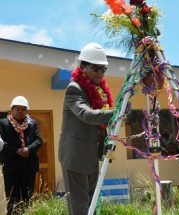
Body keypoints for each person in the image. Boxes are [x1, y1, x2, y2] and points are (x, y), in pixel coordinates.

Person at [58, 43, 114, 215]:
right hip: (75, 157)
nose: (99, 73)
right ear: (82, 66)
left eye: (103, 69)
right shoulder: (74, 89)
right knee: (80, 208)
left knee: (92, 205)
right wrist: (116, 112)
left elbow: (101, 124)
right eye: (95, 68)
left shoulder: (99, 91)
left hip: (90, 156)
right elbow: (86, 115)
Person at [0, 96, 42, 215]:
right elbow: (2, 143)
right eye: (17, 108)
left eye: (23, 109)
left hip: (28, 167)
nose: (20, 111)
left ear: (26, 111)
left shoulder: (32, 123)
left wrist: (28, 149)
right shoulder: (3, 123)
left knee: (28, 197)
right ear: (12, 109)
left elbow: (39, 140)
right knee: (13, 198)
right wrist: (17, 150)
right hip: (11, 167)